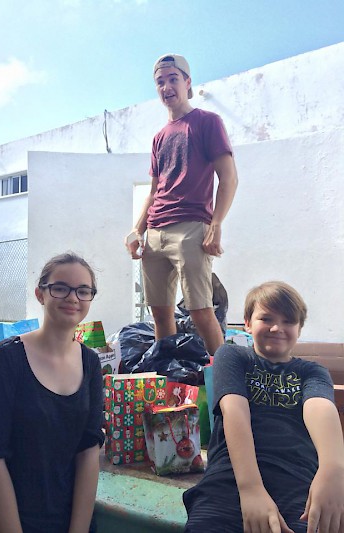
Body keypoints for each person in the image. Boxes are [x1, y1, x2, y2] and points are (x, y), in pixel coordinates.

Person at [183, 281, 344, 533]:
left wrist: (332, 470)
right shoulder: (233, 356)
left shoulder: (311, 372)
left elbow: (321, 410)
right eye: (266, 318)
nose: (277, 328)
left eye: (288, 321)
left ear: (299, 329)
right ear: (248, 323)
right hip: (231, 477)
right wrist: (251, 489)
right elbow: (235, 412)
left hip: (296, 479)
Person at [0, 252, 105, 533]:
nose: (73, 298)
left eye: (83, 290)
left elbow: (89, 450)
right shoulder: (6, 359)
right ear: (40, 294)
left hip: (64, 520)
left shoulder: (90, 362)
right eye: (60, 288)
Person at [125, 53, 238, 355]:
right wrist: (137, 230)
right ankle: (167, 370)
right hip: (155, 233)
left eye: (173, 79)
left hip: (191, 228)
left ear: (188, 82)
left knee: (201, 312)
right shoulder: (159, 137)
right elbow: (153, 191)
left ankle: (222, 378)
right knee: (160, 315)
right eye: (160, 82)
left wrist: (216, 224)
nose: (166, 87)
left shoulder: (207, 122)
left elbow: (228, 178)